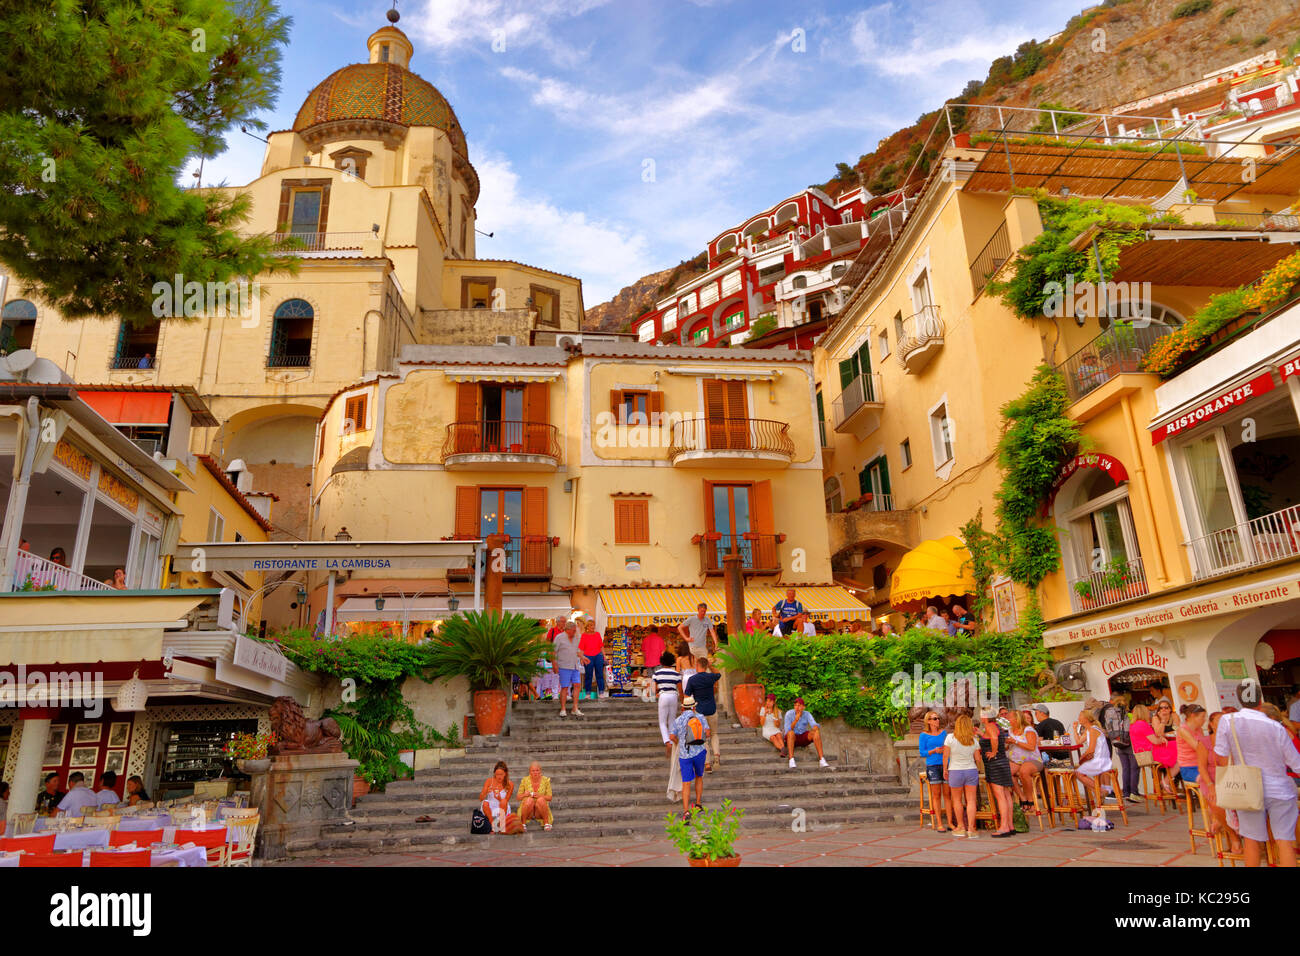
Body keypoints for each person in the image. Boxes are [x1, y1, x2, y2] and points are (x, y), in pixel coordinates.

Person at [1213, 679, 1300, 867]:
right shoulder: (1276, 727)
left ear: (1239, 699)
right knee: (1284, 842)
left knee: (1251, 841)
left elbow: (1220, 759)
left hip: (1247, 788)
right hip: (1280, 790)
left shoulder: (1228, 721)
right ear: (1260, 699)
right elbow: (1295, 763)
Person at [1200, 712, 1244, 856]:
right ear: (1211, 724)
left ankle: (1246, 833)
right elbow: (1202, 768)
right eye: (1218, 721)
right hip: (1212, 779)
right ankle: (1233, 835)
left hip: (1231, 778)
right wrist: (1211, 785)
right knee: (1216, 802)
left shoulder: (1233, 741)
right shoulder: (1205, 742)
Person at [943, 714, 985, 838]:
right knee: (971, 800)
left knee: (957, 800)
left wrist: (945, 769)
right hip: (971, 770)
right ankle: (971, 829)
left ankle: (961, 827)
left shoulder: (950, 737)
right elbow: (978, 758)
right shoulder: (973, 739)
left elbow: (946, 756)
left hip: (955, 770)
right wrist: (978, 768)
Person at [669, 696, 710, 820]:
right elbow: (707, 733)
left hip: (684, 755)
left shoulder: (678, 720)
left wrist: (679, 742)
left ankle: (686, 812)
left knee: (686, 782)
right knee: (699, 776)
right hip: (699, 752)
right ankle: (698, 804)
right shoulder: (700, 717)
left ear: (682, 708)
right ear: (694, 707)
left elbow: (671, 736)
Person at [978, 707, 1015, 837]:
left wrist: (994, 752)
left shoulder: (989, 726)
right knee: (1006, 794)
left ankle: (1004, 826)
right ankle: (1010, 825)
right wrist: (980, 734)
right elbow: (993, 737)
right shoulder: (996, 725)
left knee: (999, 795)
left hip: (994, 763)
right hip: (1002, 761)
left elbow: (993, 738)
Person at [1099, 690, 1140, 803]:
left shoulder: (1109, 713)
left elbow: (1107, 728)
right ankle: (1134, 792)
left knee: (1125, 768)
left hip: (1117, 743)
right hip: (1129, 743)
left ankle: (1126, 792)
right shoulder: (1128, 714)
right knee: (1134, 768)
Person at [685, 656, 723, 771]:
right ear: (706, 666)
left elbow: (687, 696)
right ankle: (716, 756)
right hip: (712, 709)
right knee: (714, 734)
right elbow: (718, 674)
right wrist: (711, 665)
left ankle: (707, 763)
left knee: (703, 737)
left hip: (699, 711)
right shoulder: (710, 677)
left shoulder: (692, 679)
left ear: (697, 666)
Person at [1131, 703, 1177, 794]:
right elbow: (1155, 741)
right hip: (1152, 753)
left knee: (1176, 749)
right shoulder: (1143, 724)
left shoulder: (1133, 725)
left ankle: (1169, 781)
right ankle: (1166, 781)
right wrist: (1162, 740)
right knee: (1180, 752)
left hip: (1142, 754)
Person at [919, 711, 953, 832]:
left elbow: (949, 747)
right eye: (934, 719)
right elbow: (922, 752)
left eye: (938, 718)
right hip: (932, 766)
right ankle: (939, 823)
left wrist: (944, 749)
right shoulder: (923, 735)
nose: (937, 720)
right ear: (928, 721)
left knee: (948, 795)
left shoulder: (943, 733)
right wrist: (934, 751)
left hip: (945, 764)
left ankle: (950, 822)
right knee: (937, 795)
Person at [1073, 709, 1114, 805]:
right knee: (1080, 771)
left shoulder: (1092, 730)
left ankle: (1101, 791)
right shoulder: (1089, 729)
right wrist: (1075, 729)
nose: (1078, 718)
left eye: (1080, 716)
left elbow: (1091, 750)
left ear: (1086, 718)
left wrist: (1082, 757)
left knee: (1079, 773)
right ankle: (1098, 793)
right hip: (1101, 759)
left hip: (1101, 760)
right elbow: (1078, 742)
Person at [1006, 708, 1042, 810]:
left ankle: (1031, 801)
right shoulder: (1010, 730)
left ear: (1017, 719)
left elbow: (1031, 747)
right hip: (1017, 760)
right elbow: (1010, 746)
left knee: (1024, 771)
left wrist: (1015, 741)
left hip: (1032, 759)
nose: (1008, 719)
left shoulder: (1028, 730)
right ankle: (1023, 798)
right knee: (1006, 772)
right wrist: (1006, 744)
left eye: (1010, 717)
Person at [782, 697, 829, 769]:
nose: (797, 707)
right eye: (795, 705)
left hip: (803, 737)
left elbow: (814, 723)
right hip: (792, 737)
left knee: (816, 732)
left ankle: (821, 759)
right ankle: (791, 760)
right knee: (790, 733)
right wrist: (795, 720)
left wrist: (815, 727)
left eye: (799, 705)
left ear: (803, 707)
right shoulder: (789, 714)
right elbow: (787, 730)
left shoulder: (807, 714)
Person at [552, 620, 586, 717]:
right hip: (564, 666)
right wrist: (554, 664)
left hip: (574, 665)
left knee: (577, 685)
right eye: (573, 630)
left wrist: (583, 657)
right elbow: (553, 652)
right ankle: (563, 709)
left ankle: (575, 708)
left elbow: (577, 651)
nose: (575, 632)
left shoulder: (576, 638)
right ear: (567, 630)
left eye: (575, 630)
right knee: (565, 687)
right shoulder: (559, 638)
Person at [653, 651, 682, 757]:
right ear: (672, 662)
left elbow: (655, 688)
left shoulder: (657, 673)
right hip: (674, 696)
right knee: (671, 721)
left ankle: (667, 742)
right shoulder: (676, 674)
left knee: (662, 722)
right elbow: (680, 688)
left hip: (663, 696)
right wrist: (683, 700)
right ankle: (672, 739)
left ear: (662, 661)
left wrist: (656, 693)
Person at [1175, 704, 1211, 784]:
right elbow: (1198, 747)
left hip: (1201, 765)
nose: (1204, 720)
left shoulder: (1199, 729)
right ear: (1193, 716)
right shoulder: (1183, 730)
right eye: (1202, 717)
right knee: (1207, 780)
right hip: (1188, 768)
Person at [478, 761, 515, 834]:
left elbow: (506, 801)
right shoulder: (489, 781)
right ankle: (493, 826)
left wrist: (499, 798)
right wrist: (486, 792)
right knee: (485, 802)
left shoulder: (510, 784)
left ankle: (501, 826)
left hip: (502, 806)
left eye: (501, 774)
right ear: (494, 773)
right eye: (497, 774)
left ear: (505, 773)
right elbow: (480, 798)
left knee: (503, 801)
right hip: (490, 805)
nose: (499, 776)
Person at [516, 762, 553, 832]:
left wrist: (540, 795)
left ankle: (546, 823)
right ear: (530, 772)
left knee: (541, 800)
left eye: (537, 770)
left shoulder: (546, 780)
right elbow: (518, 797)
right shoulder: (525, 780)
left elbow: (550, 797)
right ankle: (523, 824)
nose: (535, 772)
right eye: (533, 771)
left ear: (540, 771)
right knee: (529, 800)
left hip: (540, 810)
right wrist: (524, 795)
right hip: (528, 810)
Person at [579, 618, 606, 700]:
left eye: (593, 625)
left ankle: (601, 692)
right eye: (591, 625)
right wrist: (581, 658)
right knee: (588, 675)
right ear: (587, 626)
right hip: (588, 657)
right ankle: (588, 693)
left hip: (598, 656)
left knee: (600, 675)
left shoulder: (597, 634)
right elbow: (581, 648)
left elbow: (601, 646)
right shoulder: (583, 635)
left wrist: (604, 656)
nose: (593, 627)